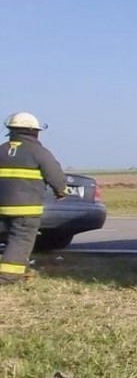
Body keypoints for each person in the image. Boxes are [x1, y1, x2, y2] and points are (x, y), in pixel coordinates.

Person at [0, 111, 66, 284]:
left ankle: (23, 270)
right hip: (27, 209)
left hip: (2, 207)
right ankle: (7, 277)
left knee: (12, 239)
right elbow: (55, 174)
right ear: (34, 131)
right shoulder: (38, 152)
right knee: (21, 240)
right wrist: (61, 191)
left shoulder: (1, 150)